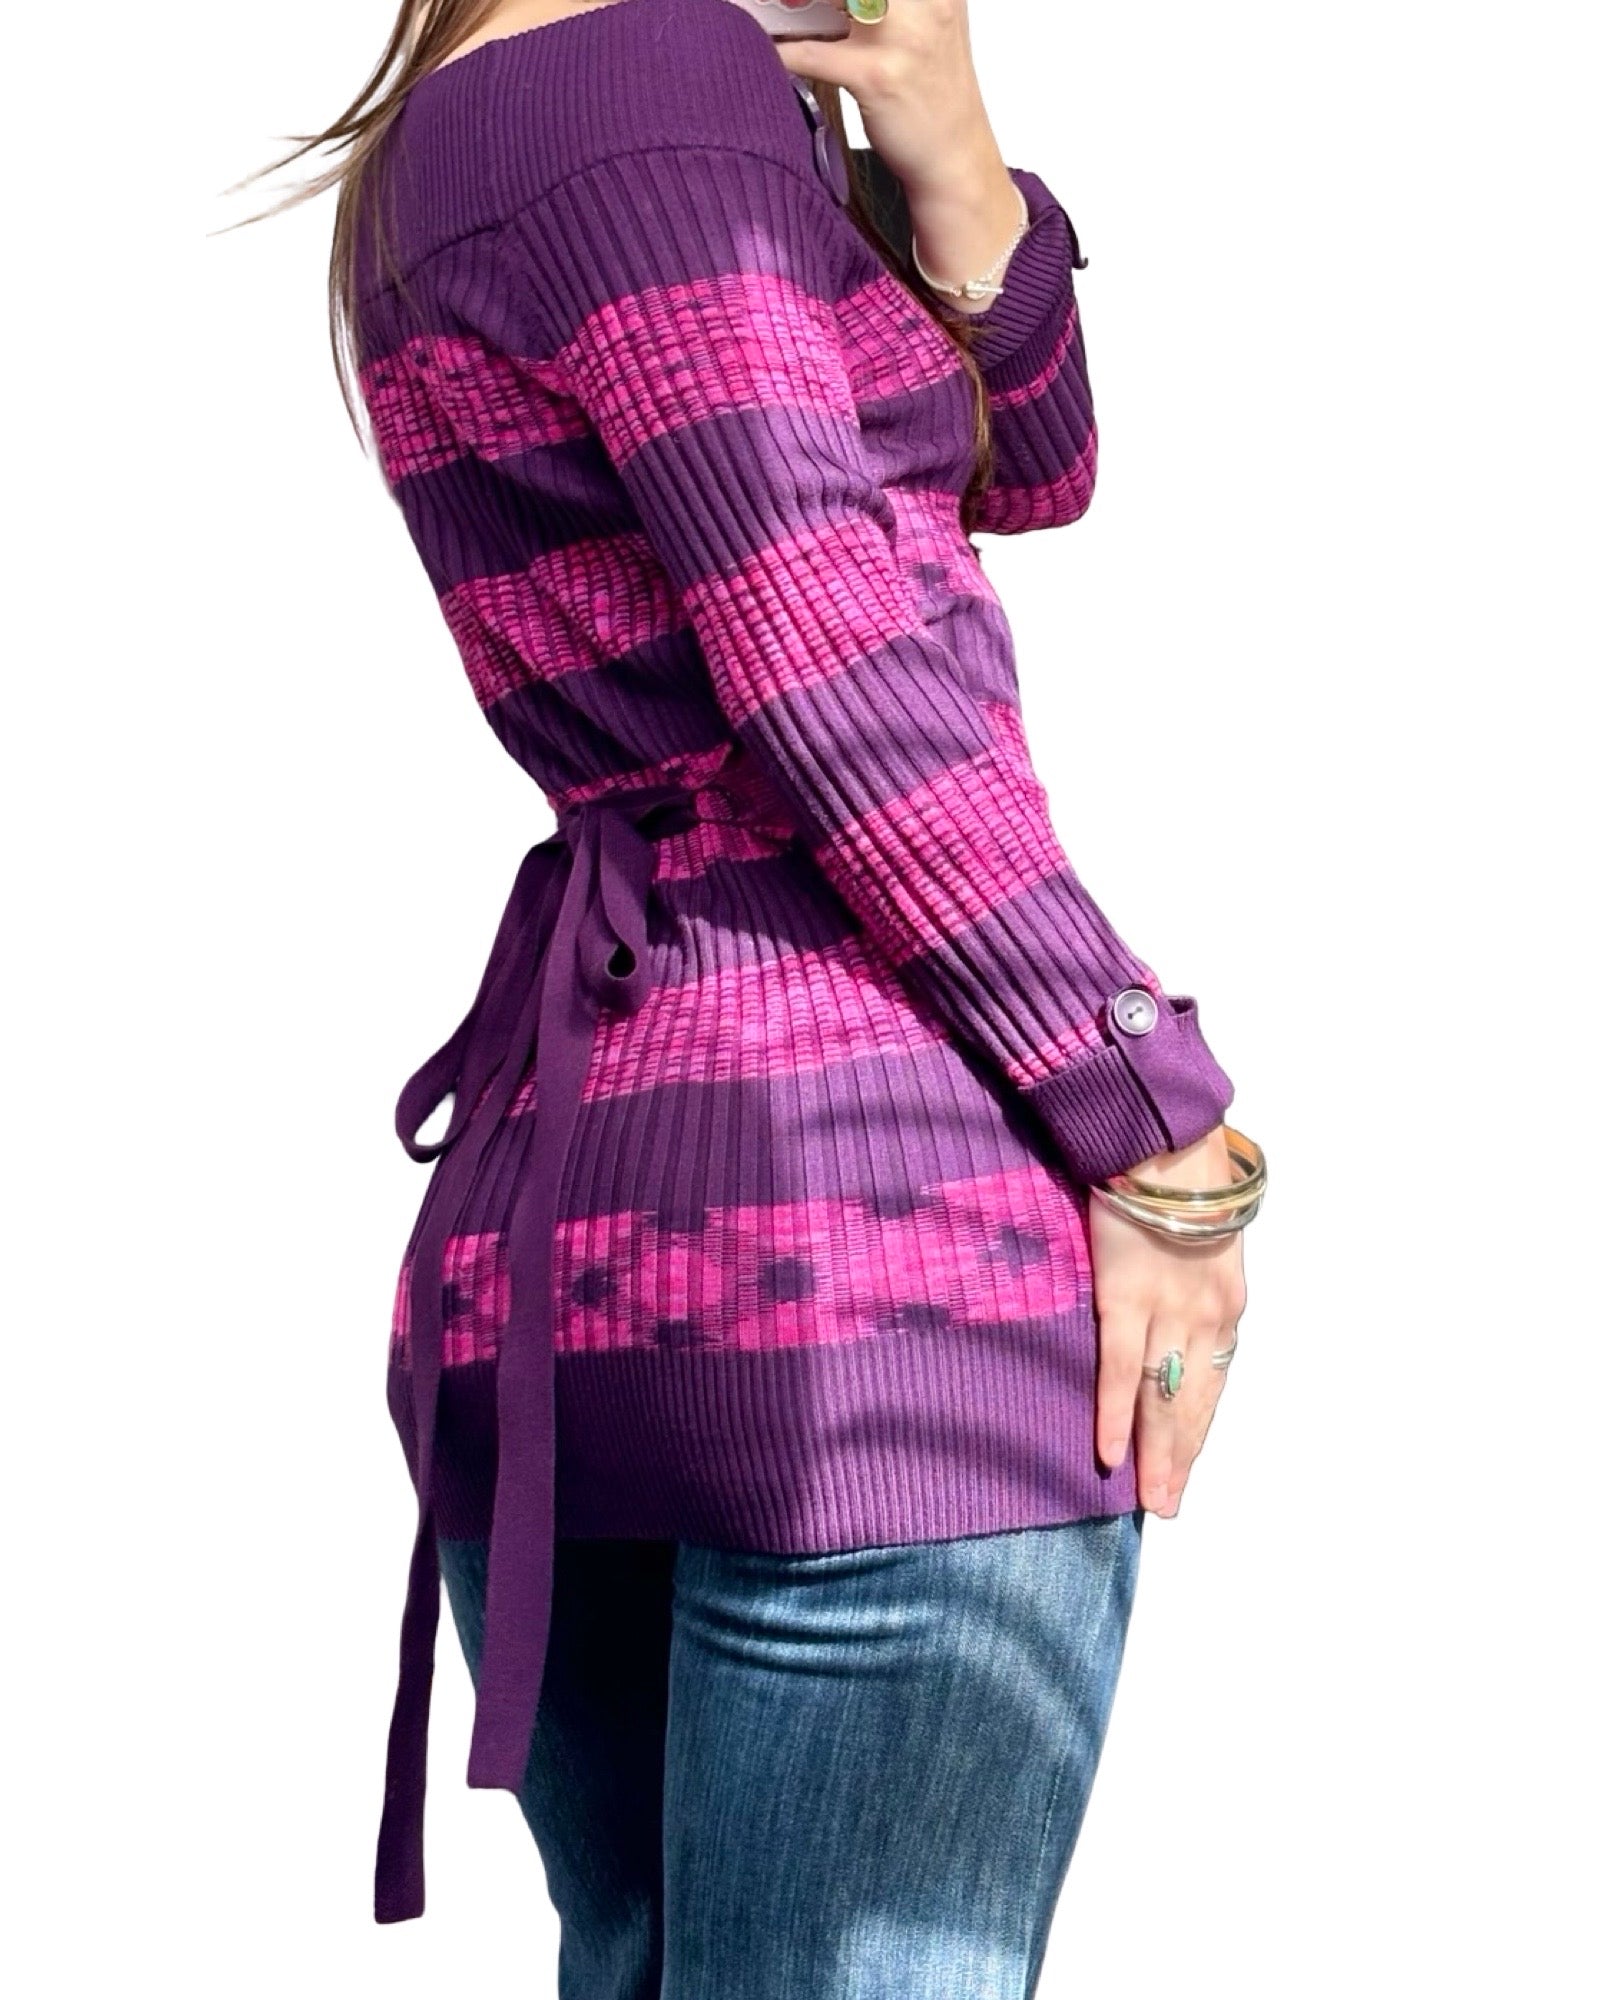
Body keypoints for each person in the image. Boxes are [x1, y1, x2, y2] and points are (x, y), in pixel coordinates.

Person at [250, 0, 1264, 1989]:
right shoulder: (653, 91)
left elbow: (1031, 467)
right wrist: (1158, 1121)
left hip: (575, 1255)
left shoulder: (469, 120)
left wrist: (948, 156)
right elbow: (826, 659)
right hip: (865, 1258)